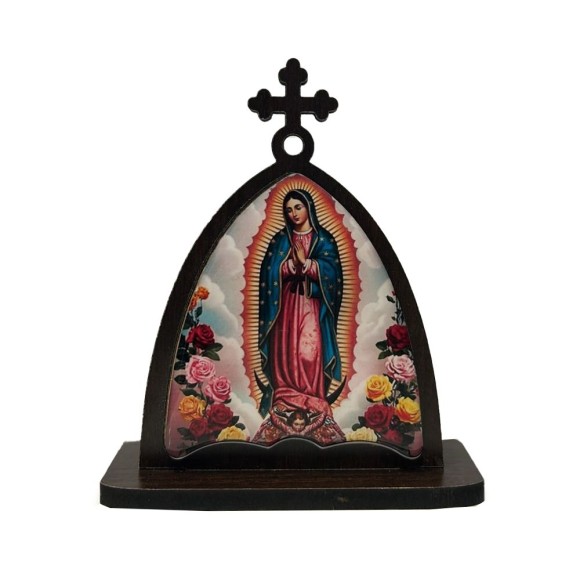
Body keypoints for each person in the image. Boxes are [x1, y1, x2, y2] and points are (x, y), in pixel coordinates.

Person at [257, 189, 343, 422]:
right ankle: (285, 396)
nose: (293, 213)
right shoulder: (280, 240)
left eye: (298, 207)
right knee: (285, 350)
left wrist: (308, 264)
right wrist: (288, 266)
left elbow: (333, 274)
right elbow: (268, 274)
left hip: (311, 305)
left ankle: (312, 396)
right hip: (284, 306)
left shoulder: (323, 239)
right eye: (288, 210)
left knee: (309, 351)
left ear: (308, 207)